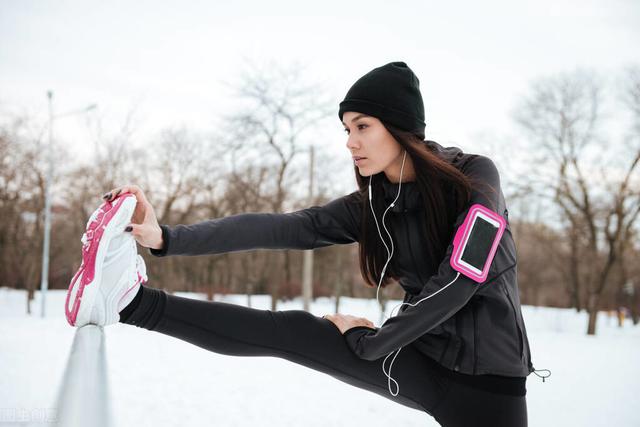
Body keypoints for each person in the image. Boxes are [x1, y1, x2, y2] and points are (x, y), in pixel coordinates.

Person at [74, 61, 551, 426]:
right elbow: (284, 227)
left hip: (489, 385)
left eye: (362, 126)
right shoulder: (374, 205)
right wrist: (166, 239)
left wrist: (372, 342)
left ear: (400, 128)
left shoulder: (475, 179)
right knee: (293, 332)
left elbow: (463, 276)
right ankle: (131, 303)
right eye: (347, 129)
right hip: (420, 358)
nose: (350, 142)